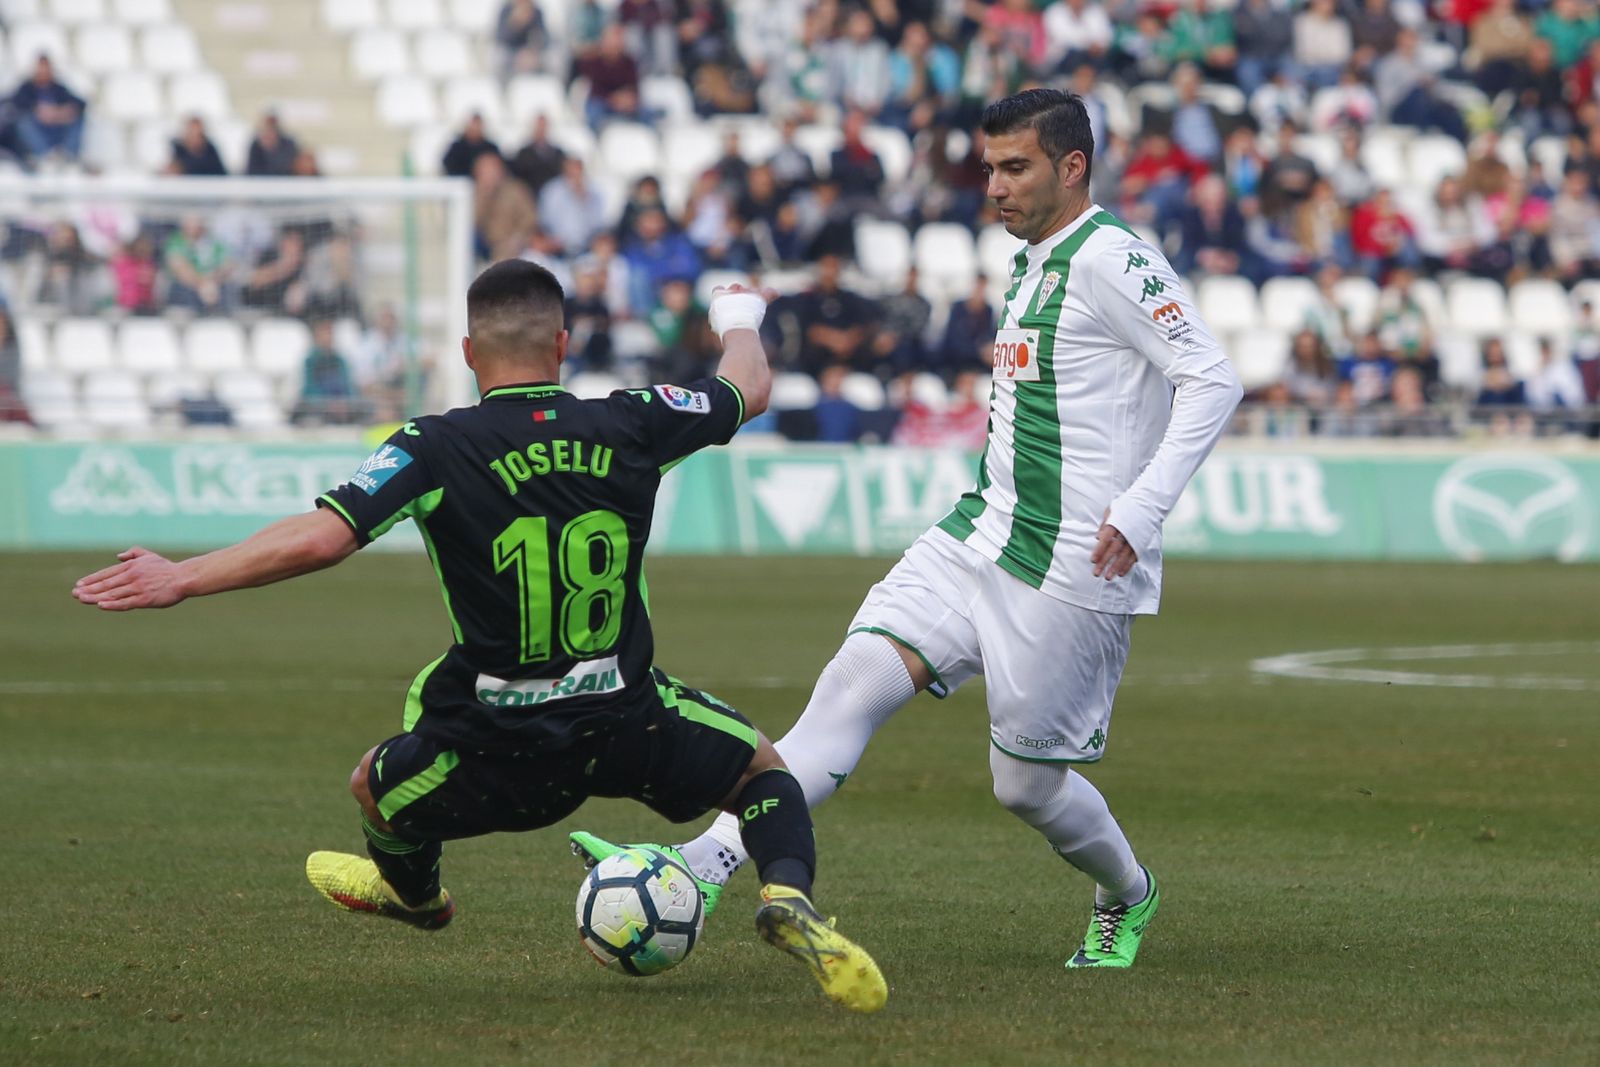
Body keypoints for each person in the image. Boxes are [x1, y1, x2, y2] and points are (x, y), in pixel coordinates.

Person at [70, 262, 888, 1014]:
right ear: (563, 344)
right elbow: (746, 385)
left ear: (468, 351)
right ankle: (785, 897)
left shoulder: (433, 446)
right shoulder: (633, 420)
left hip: (500, 750)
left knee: (373, 788)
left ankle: (417, 898)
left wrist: (183, 576)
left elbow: (321, 538)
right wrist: (738, 311)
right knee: (762, 773)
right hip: (628, 721)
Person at [570, 88, 1243, 971]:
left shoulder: (1111, 258)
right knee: (852, 684)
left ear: (1073, 167)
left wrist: (1143, 504)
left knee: (1026, 786)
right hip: (980, 531)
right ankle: (699, 868)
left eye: (1015, 168)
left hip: (1071, 562)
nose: (994, 187)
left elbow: (1212, 376)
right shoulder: (1032, 259)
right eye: (989, 167)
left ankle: (1127, 889)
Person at [10, 55, 86, 164]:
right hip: (37, 131)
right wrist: (38, 110)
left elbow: (81, 103)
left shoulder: (58, 88)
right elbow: (15, 103)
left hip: (57, 129)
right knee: (23, 121)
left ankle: (68, 156)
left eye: (46, 69)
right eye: (41, 69)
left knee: (78, 118)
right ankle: (45, 156)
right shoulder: (27, 88)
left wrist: (61, 112)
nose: (44, 72)